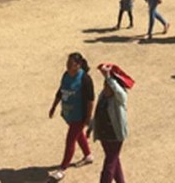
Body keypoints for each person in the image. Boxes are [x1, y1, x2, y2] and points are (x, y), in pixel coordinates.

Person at [48, 52, 95, 181]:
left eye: (71, 63)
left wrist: (88, 117)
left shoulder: (85, 79)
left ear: (78, 65)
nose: (68, 65)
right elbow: (61, 91)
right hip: (69, 114)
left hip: (79, 116)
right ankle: (88, 155)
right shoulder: (66, 75)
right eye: (67, 63)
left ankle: (63, 168)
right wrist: (54, 106)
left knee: (70, 140)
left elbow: (90, 100)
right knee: (78, 135)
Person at [90, 63, 132, 183]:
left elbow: (119, 91)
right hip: (104, 134)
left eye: (109, 87)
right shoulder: (102, 95)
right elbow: (98, 113)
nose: (106, 88)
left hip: (115, 135)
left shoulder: (120, 98)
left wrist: (108, 77)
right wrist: (92, 126)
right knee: (113, 160)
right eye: (105, 86)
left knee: (109, 164)